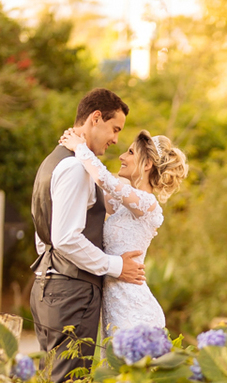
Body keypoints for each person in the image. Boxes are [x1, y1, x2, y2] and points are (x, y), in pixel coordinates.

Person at [28, 88, 146, 383]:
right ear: (96, 118)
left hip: (50, 284)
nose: (116, 139)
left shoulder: (53, 161)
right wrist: (117, 266)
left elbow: (45, 236)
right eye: (115, 128)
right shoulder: (75, 168)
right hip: (71, 292)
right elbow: (66, 238)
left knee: (51, 382)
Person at [57, 126, 188, 333]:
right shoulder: (124, 205)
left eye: (130, 152)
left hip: (133, 309)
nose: (121, 156)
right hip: (115, 305)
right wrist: (80, 144)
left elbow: (103, 180)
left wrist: (81, 148)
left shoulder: (148, 205)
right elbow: (99, 185)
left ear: (147, 164)